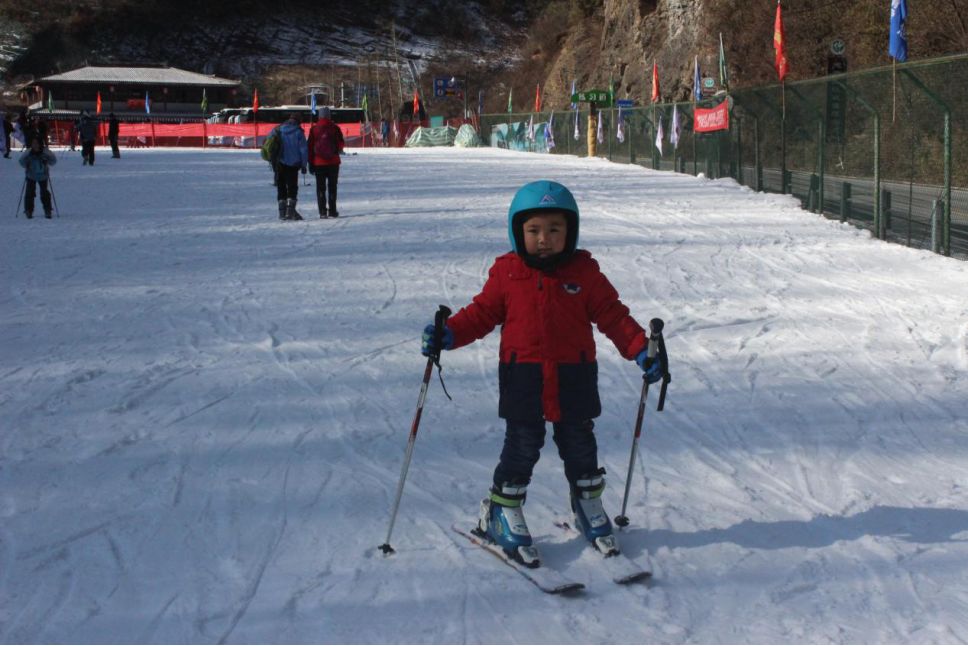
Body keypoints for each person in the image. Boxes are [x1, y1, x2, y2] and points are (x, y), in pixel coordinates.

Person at [419, 180, 666, 568]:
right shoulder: (507, 273)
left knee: (580, 443)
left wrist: (640, 348)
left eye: (554, 229)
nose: (544, 239)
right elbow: (482, 314)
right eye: (533, 230)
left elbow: (612, 316)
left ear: (571, 231)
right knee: (522, 443)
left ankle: (587, 502)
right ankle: (501, 509)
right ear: (518, 232)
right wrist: (449, 335)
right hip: (524, 375)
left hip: (574, 374)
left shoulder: (584, 272)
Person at [307, 107, 344, 218]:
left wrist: (310, 162)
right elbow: (341, 144)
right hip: (333, 162)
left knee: (320, 188)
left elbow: (309, 147)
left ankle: (322, 212)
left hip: (319, 162)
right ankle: (332, 211)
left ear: (319, 116)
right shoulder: (335, 128)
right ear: (329, 116)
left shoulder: (314, 129)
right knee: (332, 187)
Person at [273, 113, 309, 221]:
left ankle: (282, 212)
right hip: (293, 164)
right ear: (298, 121)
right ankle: (290, 212)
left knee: (281, 187)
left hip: (279, 162)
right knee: (292, 188)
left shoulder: (278, 129)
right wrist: (304, 164)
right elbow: (303, 150)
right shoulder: (298, 132)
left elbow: (269, 141)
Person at [18, 136, 57, 219]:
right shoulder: (28, 152)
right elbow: (21, 161)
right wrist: (26, 164)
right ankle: (28, 210)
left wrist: (47, 161)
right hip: (31, 175)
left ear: (40, 144)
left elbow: (53, 161)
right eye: (33, 143)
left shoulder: (45, 152)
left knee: (44, 193)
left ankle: (47, 210)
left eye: (36, 143)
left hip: (43, 176)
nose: (34, 145)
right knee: (29, 193)